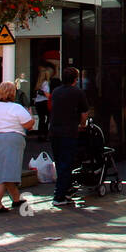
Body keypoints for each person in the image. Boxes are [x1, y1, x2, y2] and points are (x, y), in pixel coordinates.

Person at [0, 80, 33, 214]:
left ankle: (16, 198)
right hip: (12, 139)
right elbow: (29, 124)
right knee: (3, 173)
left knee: (3, 169)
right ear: (13, 93)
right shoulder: (16, 108)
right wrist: (31, 114)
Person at [48, 65, 89, 206]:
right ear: (75, 79)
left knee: (60, 163)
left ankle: (64, 191)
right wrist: (82, 125)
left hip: (55, 131)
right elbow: (84, 113)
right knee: (67, 163)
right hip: (69, 131)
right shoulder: (78, 93)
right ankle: (59, 196)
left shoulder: (56, 92)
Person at [32, 66, 52, 141]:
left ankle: (40, 135)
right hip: (44, 102)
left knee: (41, 119)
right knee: (49, 118)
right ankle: (46, 134)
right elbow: (47, 94)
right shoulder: (46, 83)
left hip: (38, 102)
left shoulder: (38, 84)